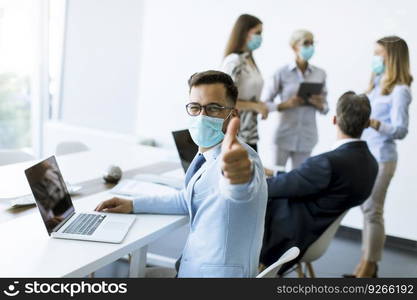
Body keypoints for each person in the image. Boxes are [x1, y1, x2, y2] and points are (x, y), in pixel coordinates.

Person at [96, 70, 268, 278]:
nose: (202, 116)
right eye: (195, 108)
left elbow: (239, 191)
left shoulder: (242, 160)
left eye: (213, 108)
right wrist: (133, 204)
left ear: (232, 115)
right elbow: (187, 198)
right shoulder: (208, 154)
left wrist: (239, 179)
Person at [259, 91, 378, 275]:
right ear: (367, 123)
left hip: (289, 236)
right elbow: (304, 181)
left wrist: (252, 178)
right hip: (318, 236)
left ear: (334, 120)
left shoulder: (328, 163)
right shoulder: (371, 164)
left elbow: (272, 188)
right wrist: (274, 172)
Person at [351, 36, 413, 278]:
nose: (375, 59)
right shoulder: (377, 84)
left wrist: (376, 124)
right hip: (367, 155)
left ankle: (368, 266)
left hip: (383, 157)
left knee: (373, 211)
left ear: (392, 57)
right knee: (367, 208)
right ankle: (368, 263)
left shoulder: (401, 91)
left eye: (379, 54)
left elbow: (401, 130)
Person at [261, 29, 328, 169]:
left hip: (307, 137)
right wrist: (286, 104)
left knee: (300, 181)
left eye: (312, 43)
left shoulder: (320, 74)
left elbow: (326, 108)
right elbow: (264, 104)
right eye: (306, 43)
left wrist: (319, 104)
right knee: (276, 178)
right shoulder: (281, 73)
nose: (310, 47)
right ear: (294, 47)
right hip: (283, 136)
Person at [221, 14, 268, 152]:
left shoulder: (249, 60)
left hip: (250, 133)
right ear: (244, 32)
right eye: (257, 33)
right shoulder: (233, 61)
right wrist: (255, 106)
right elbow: (224, 101)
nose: (260, 37)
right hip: (237, 133)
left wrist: (259, 106)